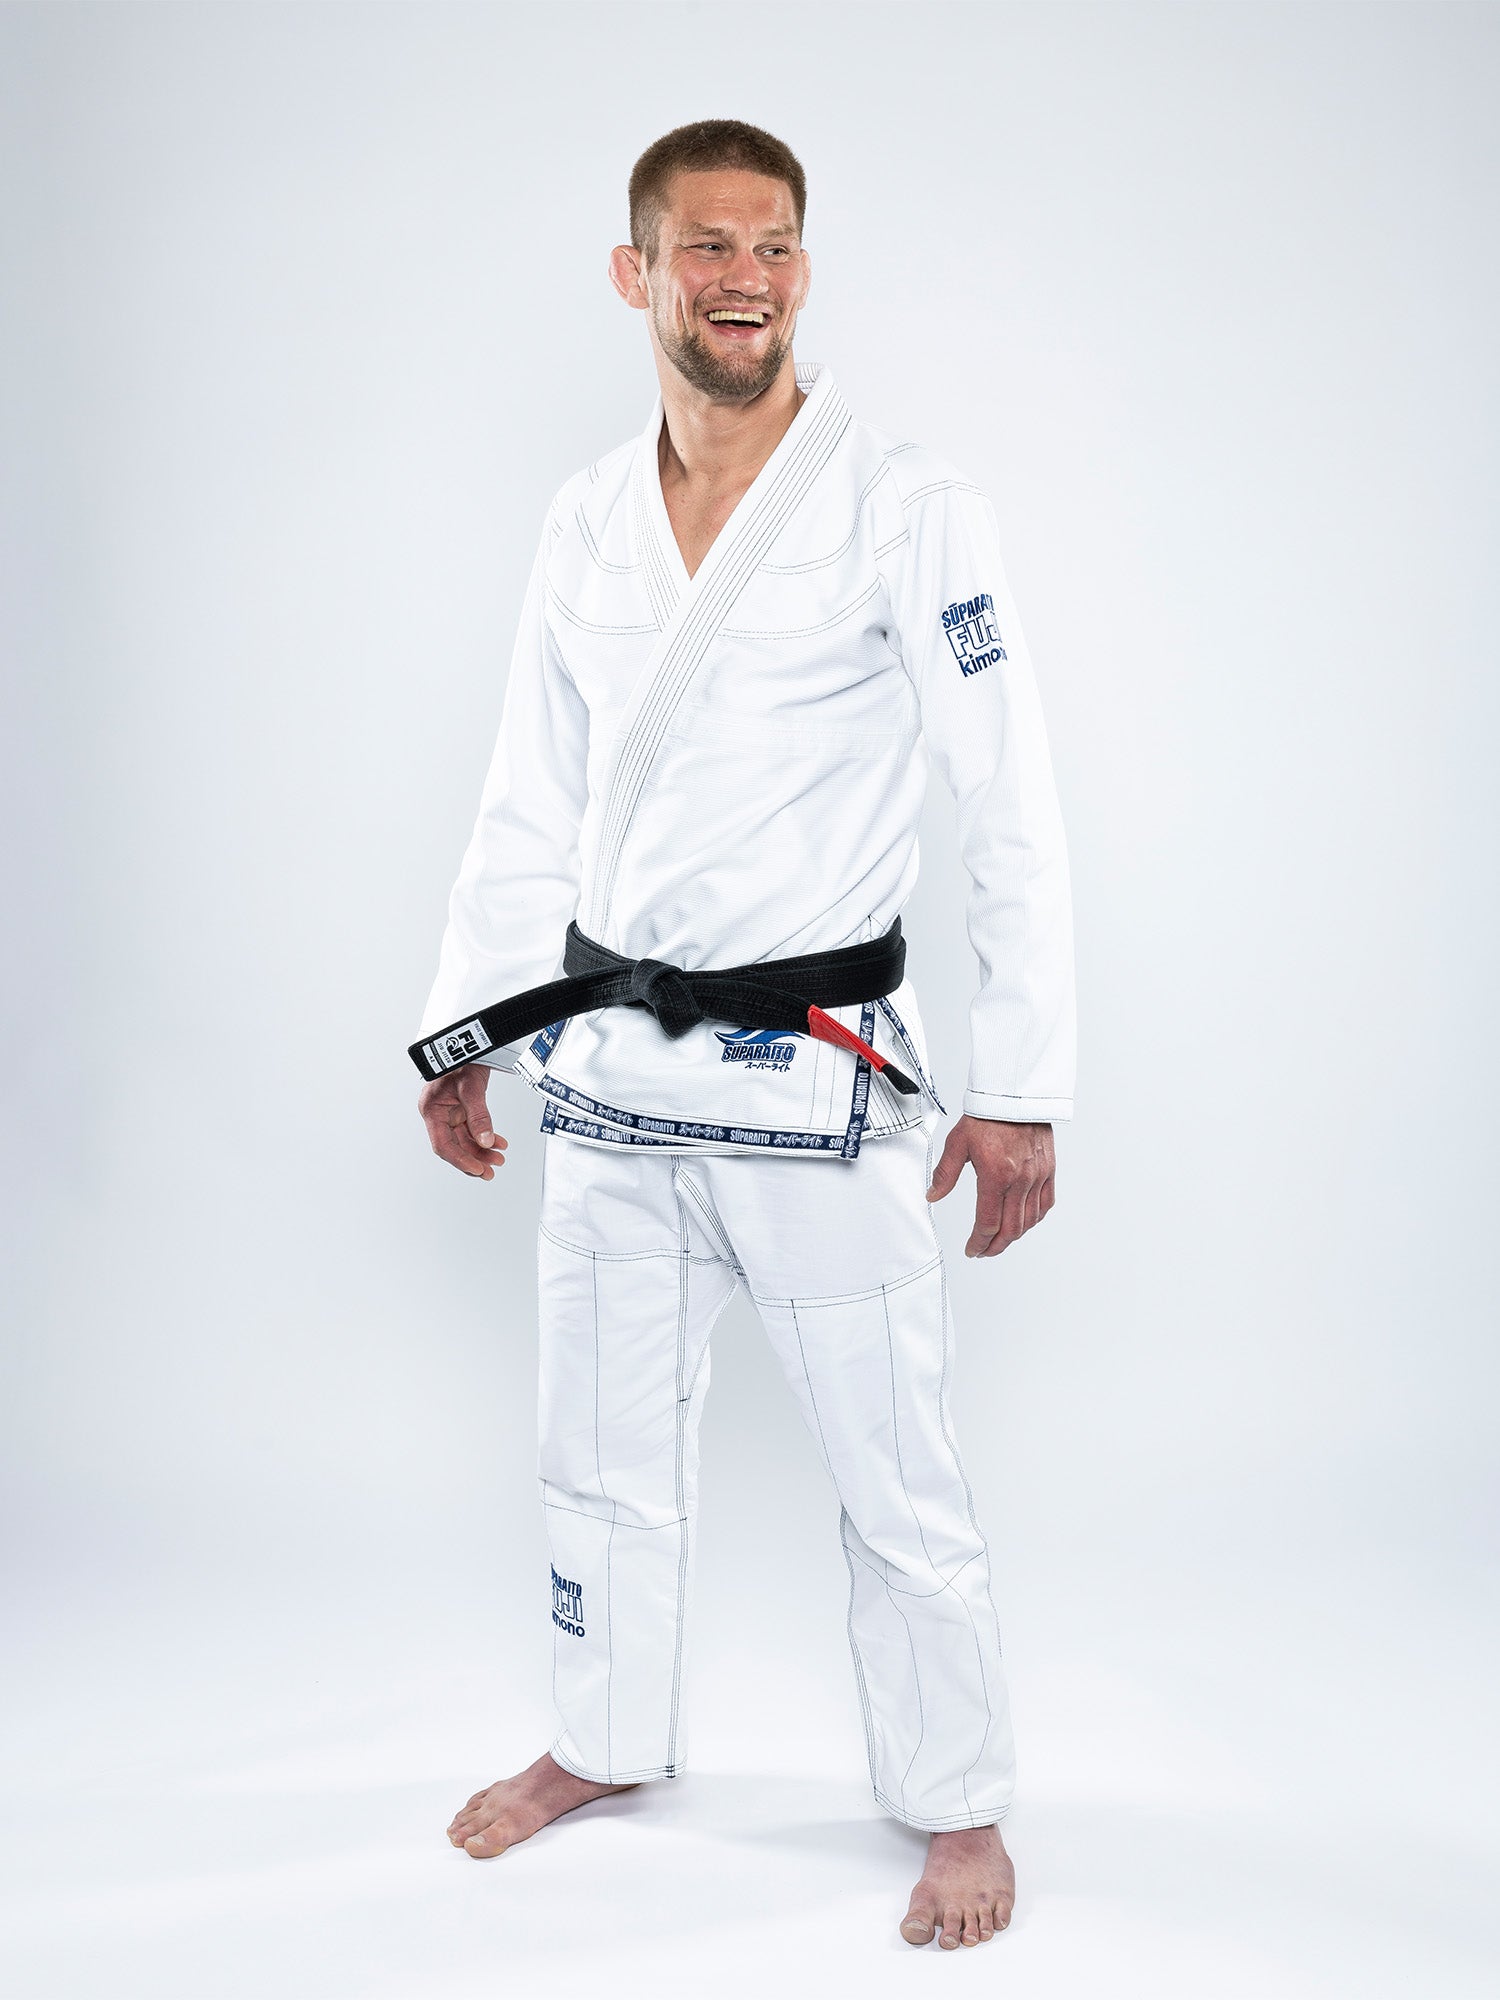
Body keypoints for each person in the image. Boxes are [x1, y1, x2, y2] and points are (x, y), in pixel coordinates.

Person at [413, 118, 1075, 1951]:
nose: (744, 282)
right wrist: (460, 1033)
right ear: (639, 276)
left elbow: (1006, 804)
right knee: (597, 1446)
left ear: (804, 270)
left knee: (893, 1466)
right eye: (707, 249)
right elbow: (525, 799)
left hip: (824, 1078)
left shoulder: (907, 504)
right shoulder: (584, 516)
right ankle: (605, 1739)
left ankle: (956, 1808)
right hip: (611, 1076)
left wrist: (1020, 1090)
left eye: (774, 248)